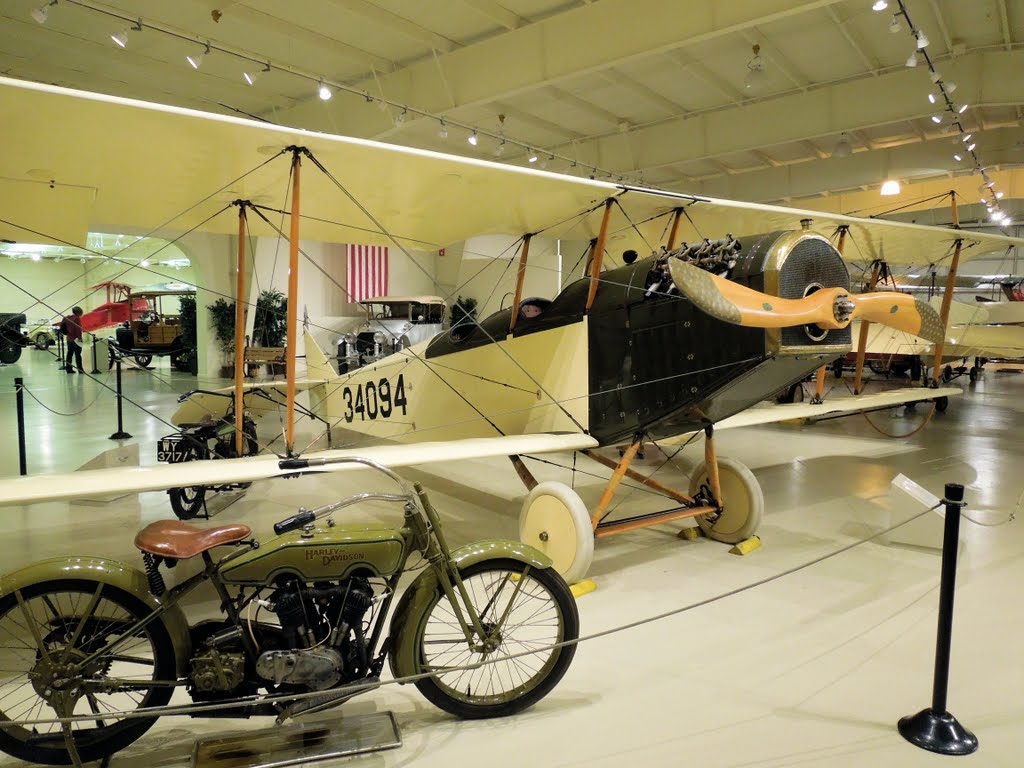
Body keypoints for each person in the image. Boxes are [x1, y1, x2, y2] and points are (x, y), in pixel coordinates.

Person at [62, 306, 85, 373]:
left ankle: (68, 369)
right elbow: (78, 329)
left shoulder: (67, 318)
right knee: (78, 355)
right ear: (79, 312)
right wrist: (80, 338)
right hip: (76, 339)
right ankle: (80, 369)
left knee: (69, 354)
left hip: (69, 338)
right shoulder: (76, 319)